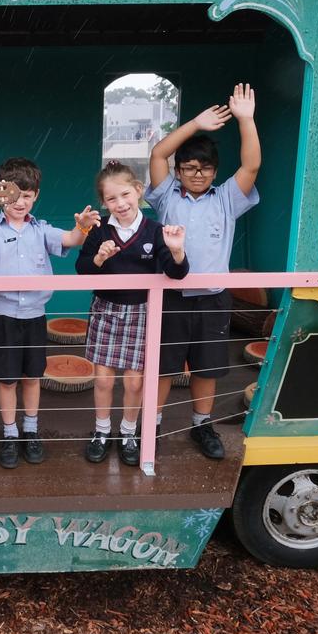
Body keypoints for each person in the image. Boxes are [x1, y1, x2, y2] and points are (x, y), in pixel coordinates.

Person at [0, 157, 100, 468]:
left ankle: (31, 431)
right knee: (8, 380)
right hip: (4, 317)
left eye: (26, 195)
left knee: (33, 376)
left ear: (35, 195)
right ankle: (10, 434)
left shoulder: (42, 230)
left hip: (36, 317)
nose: (19, 202)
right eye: (11, 195)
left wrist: (82, 227)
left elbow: (70, 240)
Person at [145, 83, 260, 460]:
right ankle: (153, 423)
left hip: (213, 299)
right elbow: (158, 152)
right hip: (170, 295)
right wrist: (196, 123)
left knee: (207, 368)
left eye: (205, 168)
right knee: (163, 367)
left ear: (214, 171)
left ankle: (201, 424)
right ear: (178, 172)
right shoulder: (165, 195)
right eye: (189, 168)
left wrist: (246, 120)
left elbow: (252, 165)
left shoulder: (227, 198)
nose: (197, 174)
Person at [75, 161, 188, 465]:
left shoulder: (155, 229)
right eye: (112, 199)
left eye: (125, 194)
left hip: (142, 312)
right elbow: (82, 270)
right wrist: (98, 257)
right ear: (103, 202)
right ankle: (101, 432)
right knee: (102, 381)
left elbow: (177, 273)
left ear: (138, 191)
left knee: (135, 382)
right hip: (106, 310)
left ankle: (128, 434)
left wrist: (177, 251)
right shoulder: (99, 230)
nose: (120, 203)